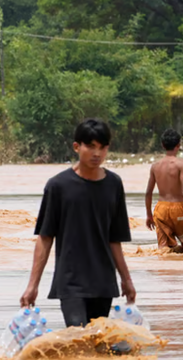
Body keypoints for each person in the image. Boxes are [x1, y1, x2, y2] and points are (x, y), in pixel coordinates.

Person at [20, 118, 136, 327]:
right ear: (76, 147)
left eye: (102, 148)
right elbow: (45, 237)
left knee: (97, 342)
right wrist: (32, 285)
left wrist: (126, 280)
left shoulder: (113, 184)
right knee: (77, 335)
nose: (97, 154)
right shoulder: (58, 186)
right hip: (70, 279)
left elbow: (114, 240)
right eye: (90, 146)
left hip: (103, 280)